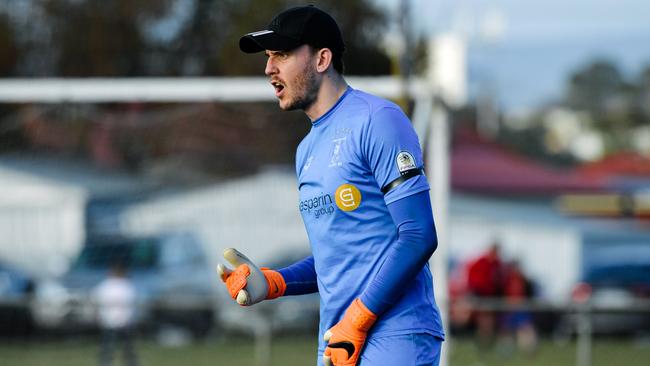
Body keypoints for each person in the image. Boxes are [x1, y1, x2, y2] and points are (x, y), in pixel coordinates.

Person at [217, 5, 444, 366]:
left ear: (322, 59)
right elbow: (336, 259)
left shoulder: (378, 120)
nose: (269, 68)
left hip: (394, 334)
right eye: (268, 57)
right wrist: (274, 282)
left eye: (282, 54)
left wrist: (358, 319)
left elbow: (418, 235)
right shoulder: (305, 150)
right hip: (337, 340)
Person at [93, 262, 138, 366]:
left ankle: (130, 363)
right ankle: (106, 362)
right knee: (109, 346)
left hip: (120, 321)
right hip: (113, 320)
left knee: (126, 347)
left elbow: (130, 302)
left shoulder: (123, 285)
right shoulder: (108, 285)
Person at [465, 242, 504, 348]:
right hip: (480, 296)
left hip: (490, 298)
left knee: (488, 322)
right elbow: (473, 278)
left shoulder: (497, 264)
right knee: (483, 321)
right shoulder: (482, 262)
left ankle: (486, 343)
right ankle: (481, 343)